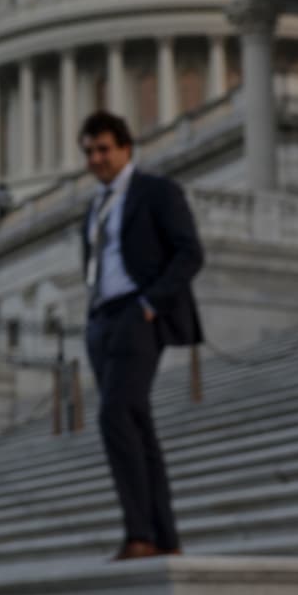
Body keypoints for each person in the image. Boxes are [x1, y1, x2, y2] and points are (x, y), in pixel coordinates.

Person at [76, 111, 204, 561]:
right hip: (103, 319)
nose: (96, 159)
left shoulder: (155, 192)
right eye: (89, 151)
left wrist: (150, 306)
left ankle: (139, 533)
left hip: (137, 313)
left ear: (126, 147)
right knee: (137, 425)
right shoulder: (94, 206)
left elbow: (190, 253)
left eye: (104, 149)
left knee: (115, 416)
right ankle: (164, 536)